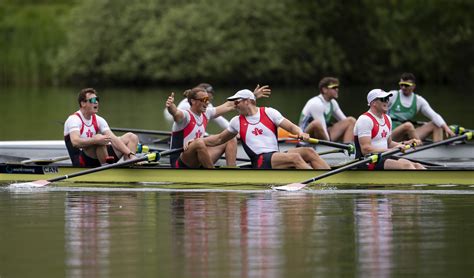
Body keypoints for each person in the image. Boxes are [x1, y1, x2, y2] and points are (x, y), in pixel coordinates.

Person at [202, 89, 331, 169]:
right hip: (260, 161)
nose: (234, 106)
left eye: (236, 102)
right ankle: (318, 186)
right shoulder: (236, 121)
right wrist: (197, 142)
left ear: (247, 101)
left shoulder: (270, 112)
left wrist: (300, 132)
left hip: (275, 156)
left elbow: (291, 127)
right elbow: (218, 139)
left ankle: (331, 179)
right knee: (296, 158)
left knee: (309, 152)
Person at [64, 88, 139, 167]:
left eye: (97, 99)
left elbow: (113, 139)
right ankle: (106, 171)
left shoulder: (99, 119)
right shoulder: (73, 119)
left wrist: (130, 154)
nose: (96, 102)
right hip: (81, 161)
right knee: (100, 139)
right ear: (83, 103)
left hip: (98, 156)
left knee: (131, 137)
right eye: (92, 100)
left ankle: (129, 164)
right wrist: (95, 140)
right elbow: (75, 142)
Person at [353, 89, 425, 170]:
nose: (387, 102)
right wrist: (390, 150)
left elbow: (389, 143)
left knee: (418, 166)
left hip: (384, 157)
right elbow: (366, 150)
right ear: (373, 103)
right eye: (383, 99)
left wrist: (405, 143)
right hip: (367, 161)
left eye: (387, 99)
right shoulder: (365, 120)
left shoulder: (387, 118)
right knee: (407, 166)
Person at [388, 72, 455, 142]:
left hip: (407, 135)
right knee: (408, 126)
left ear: (413, 86)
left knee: (436, 124)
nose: (403, 87)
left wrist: (446, 128)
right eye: (401, 85)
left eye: (406, 85)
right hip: (391, 135)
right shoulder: (393, 95)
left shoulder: (419, 100)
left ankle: (437, 149)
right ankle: (419, 145)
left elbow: (434, 115)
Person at [298, 77, 356, 143]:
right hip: (305, 135)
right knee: (317, 123)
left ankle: (348, 147)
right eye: (334, 88)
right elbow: (321, 126)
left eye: (337, 87)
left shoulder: (333, 103)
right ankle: (328, 146)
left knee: (351, 121)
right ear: (324, 89)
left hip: (322, 134)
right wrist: (329, 142)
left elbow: (344, 120)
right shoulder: (316, 103)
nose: (337, 90)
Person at [163, 83, 230, 130]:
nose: (212, 97)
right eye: (210, 94)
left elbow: (220, 119)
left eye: (212, 94)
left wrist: (233, 130)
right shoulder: (187, 106)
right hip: (170, 117)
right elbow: (175, 113)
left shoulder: (206, 104)